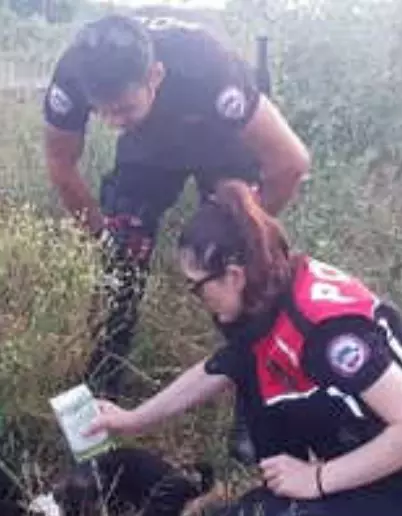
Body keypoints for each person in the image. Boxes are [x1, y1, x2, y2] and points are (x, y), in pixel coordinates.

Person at [84, 180, 402, 516]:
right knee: (251, 372)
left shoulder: (326, 333)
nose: (196, 297)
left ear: (232, 275)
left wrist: (317, 480)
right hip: (368, 443)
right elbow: (217, 369)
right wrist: (132, 419)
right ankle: (296, 503)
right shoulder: (270, 291)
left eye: (196, 286)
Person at [41, 13, 311, 424]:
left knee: (233, 270)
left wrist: (245, 231)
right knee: (118, 262)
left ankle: (254, 397)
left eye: (124, 108)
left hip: (219, 143)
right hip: (147, 150)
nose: (113, 122)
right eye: (104, 113)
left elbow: (290, 162)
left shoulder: (209, 69)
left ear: (156, 75)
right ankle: (101, 391)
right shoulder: (77, 74)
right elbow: (61, 164)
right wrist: (100, 236)